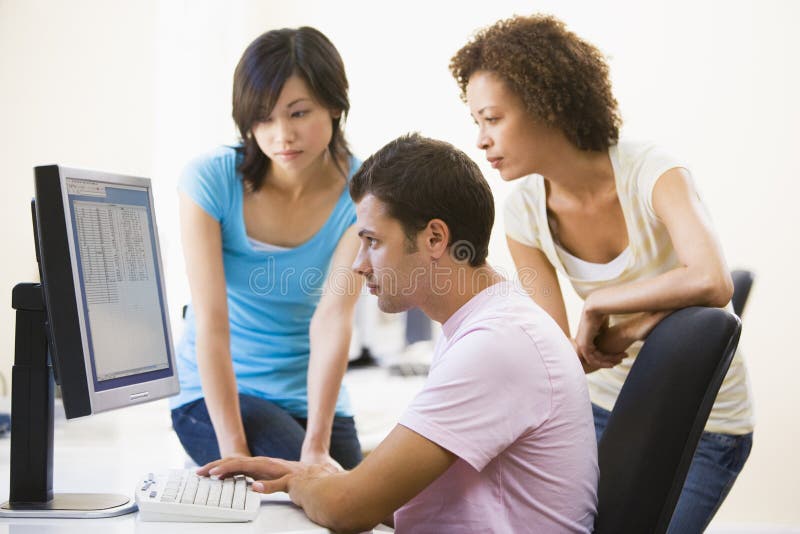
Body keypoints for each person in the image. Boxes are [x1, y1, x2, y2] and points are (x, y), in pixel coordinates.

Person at [198, 134, 599, 533]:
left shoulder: (496, 343)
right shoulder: (487, 323)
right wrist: (308, 478)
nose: (359, 264)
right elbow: (403, 498)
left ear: (435, 238)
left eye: (373, 242)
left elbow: (346, 510)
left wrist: (315, 486)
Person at [450, 14, 754, 533]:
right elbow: (558, 351)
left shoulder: (652, 172)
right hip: (600, 410)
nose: (481, 139)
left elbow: (712, 279)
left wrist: (601, 306)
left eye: (492, 119)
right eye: (477, 122)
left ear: (546, 101)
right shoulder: (524, 211)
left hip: (707, 425)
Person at [171, 26, 363, 470]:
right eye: (263, 118)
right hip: (218, 395)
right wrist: (234, 451)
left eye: (298, 113)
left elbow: (333, 320)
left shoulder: (362, 192)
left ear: (335, 105)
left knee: (358, 507)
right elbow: (211, 324)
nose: (281, 136)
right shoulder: (210, 180)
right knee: (310, 501)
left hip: (310, 396)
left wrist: (316, 446)